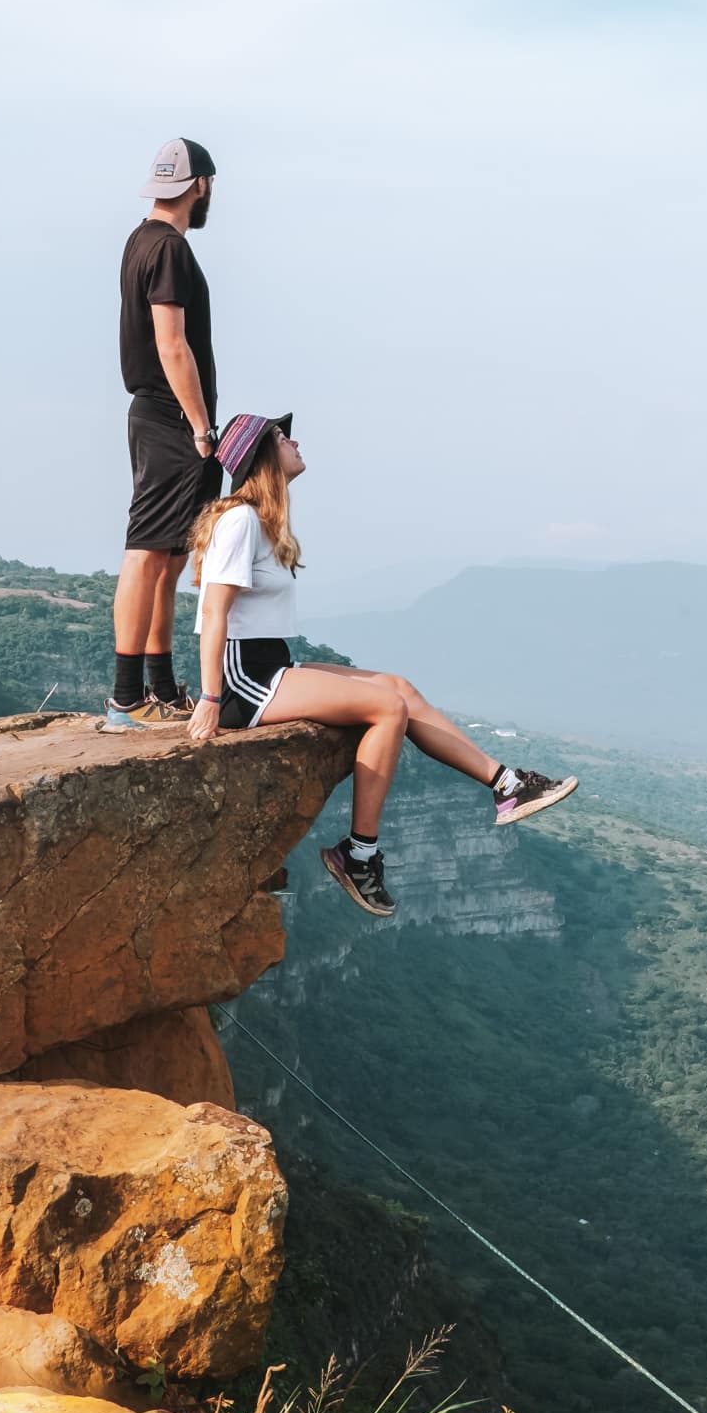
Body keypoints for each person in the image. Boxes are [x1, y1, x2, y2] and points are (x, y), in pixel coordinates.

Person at [187, 411, 578, 915]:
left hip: (273, 662)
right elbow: (214, 613)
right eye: (284, 437)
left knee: (401, 686)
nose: (296, 441)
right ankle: (359, 855)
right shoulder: (239, 521)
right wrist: (211, 699)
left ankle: (508, 786)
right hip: (246, 678)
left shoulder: (262, 519)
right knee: (388, 707)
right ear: (264, 454)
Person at [107, 138, 222, 729]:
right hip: (170, 418)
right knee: (148, 552)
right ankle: (125, 696)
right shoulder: (170, 249)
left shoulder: (139, 240)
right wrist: (202, 428)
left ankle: (156, 685)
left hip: (156, 413)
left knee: (171, 556)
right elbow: (171, 344)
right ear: (199, 184)